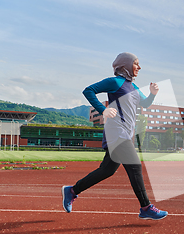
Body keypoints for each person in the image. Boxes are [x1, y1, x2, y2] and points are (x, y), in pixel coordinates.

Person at [62, 52, 168, 220]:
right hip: (116, 133)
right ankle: (146, 207)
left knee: (107, 170)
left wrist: (153, 93)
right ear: (125, 65)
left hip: (125, 134)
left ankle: (72, 190)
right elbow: (89, 90)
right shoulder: (115, 82)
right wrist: (103, 110)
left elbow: (146, 103)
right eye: (136, 64)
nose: (139, 67)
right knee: (135, 166)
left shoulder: (133, 87)